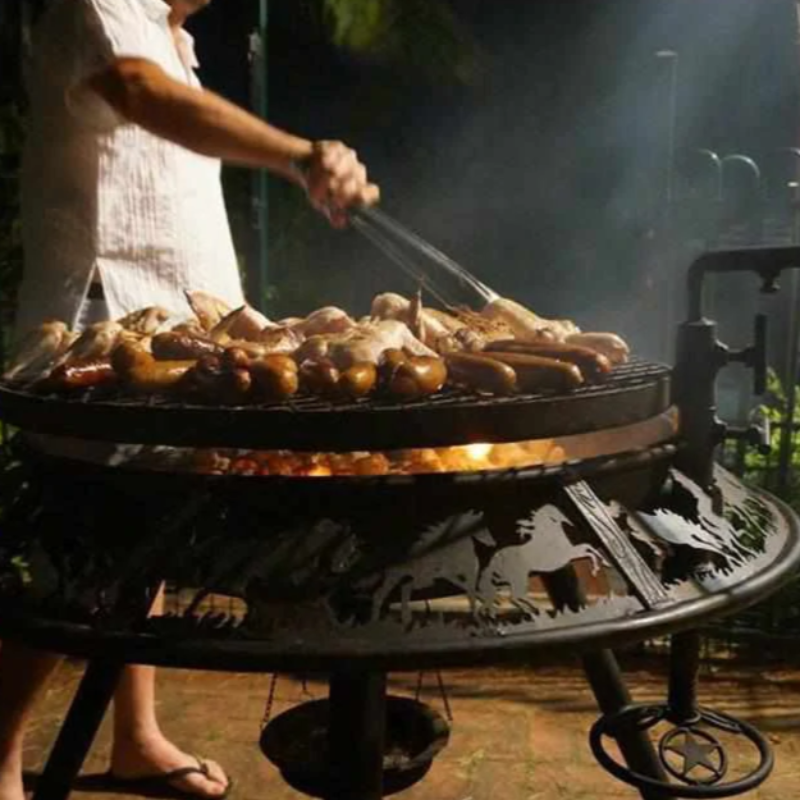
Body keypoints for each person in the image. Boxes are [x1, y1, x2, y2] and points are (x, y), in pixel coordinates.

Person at [0, 1, 379, 799]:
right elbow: (138, 91)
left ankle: (135, 737)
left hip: (179, 328)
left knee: (151, 530)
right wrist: (300, 155)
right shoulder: (100, 6)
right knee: (84, 546)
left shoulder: (176, 38)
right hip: (100, 321)